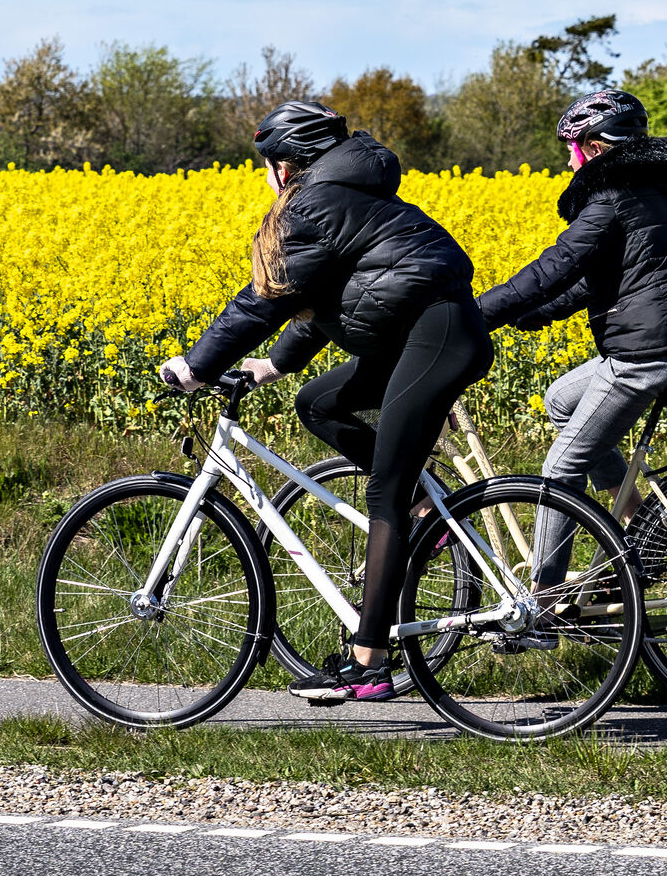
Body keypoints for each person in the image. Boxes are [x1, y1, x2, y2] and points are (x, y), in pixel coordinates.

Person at [158, 100, 494, 703]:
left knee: (384, 492)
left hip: (433, 338)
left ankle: (369, 662)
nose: (265, 175)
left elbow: (268, 299)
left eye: (267, 163)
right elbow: (329, 295)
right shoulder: (347, 194)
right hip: (421, 335)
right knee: (317, 403)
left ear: (286, 165)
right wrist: (276, 364)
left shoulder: (317, 202)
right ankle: (425, 512)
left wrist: (196, 364)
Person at [475, 89, 667, 591]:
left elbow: (557, 264)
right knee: (561, 400)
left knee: (561, 466)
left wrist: (474, 312)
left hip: (650, 352)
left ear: (592, 148)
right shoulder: (648, 188)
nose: (568, 161)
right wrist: (531, 315)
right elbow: (596, 279)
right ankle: (638, 523)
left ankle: (541, 601)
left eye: (571, 149)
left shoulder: (613, 196)